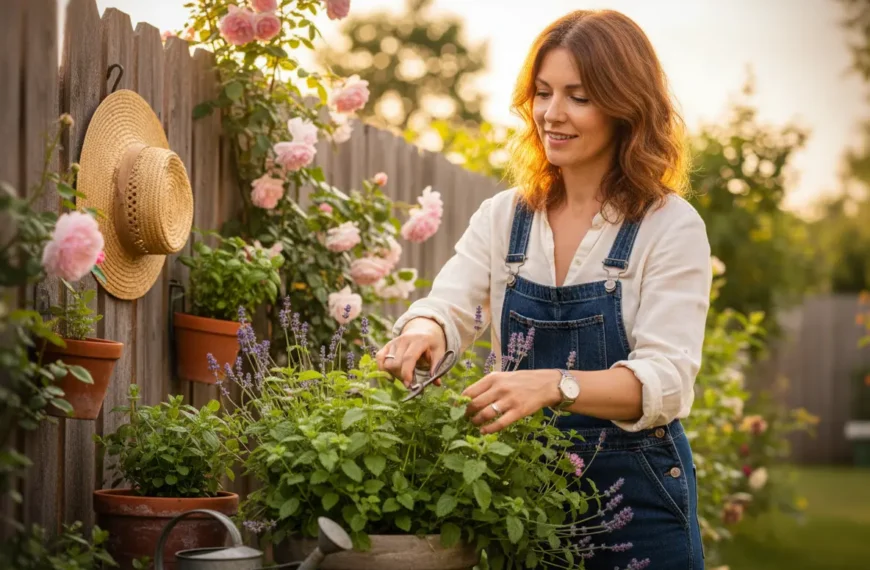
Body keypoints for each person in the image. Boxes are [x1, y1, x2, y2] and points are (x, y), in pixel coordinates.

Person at [376, 9, 710, 569]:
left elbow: (668, 381)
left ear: (625, 108)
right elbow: (449, 305)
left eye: (579, 97)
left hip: (641, 499)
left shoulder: (669, 225)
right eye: (543, 93)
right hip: (528, 497)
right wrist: (422, 329)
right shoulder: (506, 216)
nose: (552, 114)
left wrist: (556, 384)